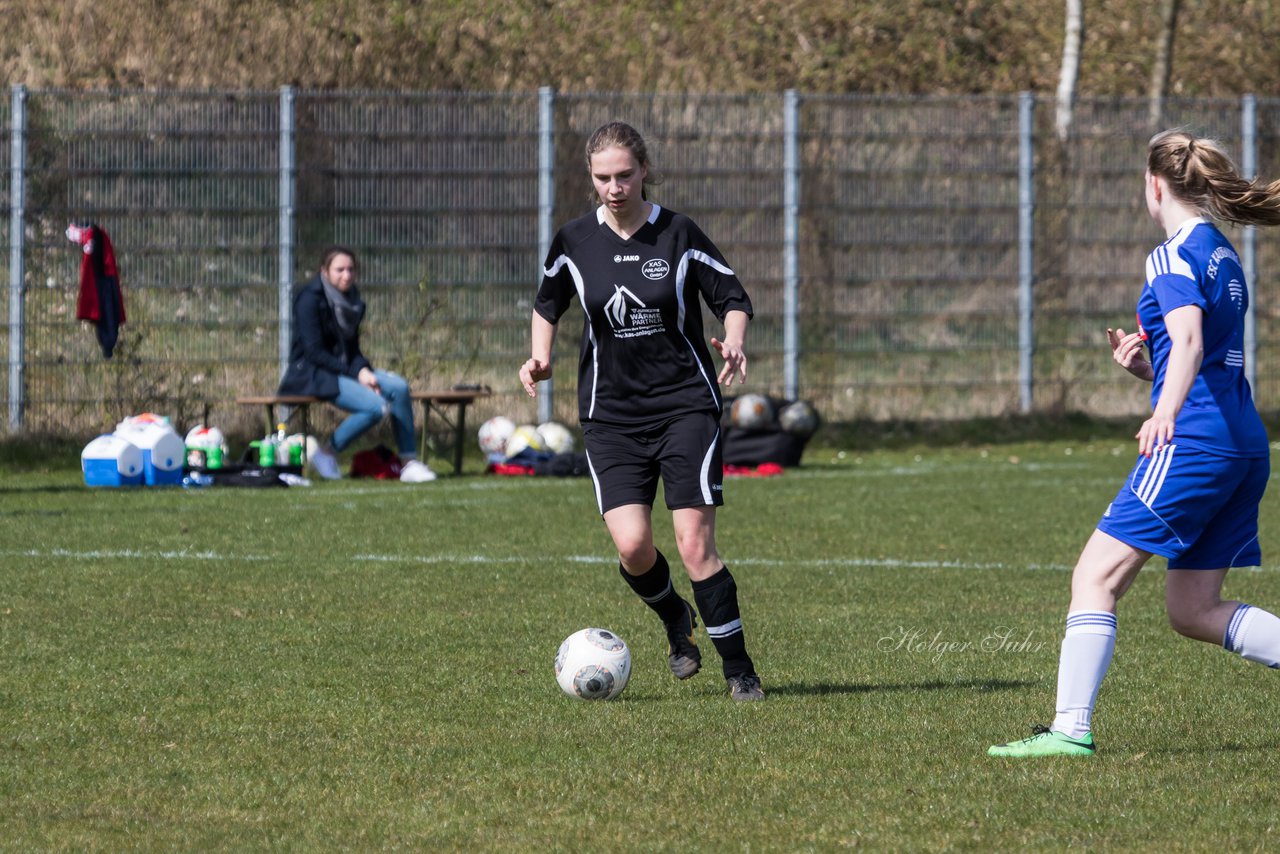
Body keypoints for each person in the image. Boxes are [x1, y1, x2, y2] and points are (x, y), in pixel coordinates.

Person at [990, 129, 1280, 757]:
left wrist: (1163, 412)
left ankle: (1069, 729)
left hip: (1195, 441)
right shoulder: (1222, 254)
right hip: (1240, 443)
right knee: (1193, 609)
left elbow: (1194, 342)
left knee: (1094, 577)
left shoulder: (1169, 255)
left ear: (1154, 186)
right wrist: (1150, 372)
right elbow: (1201, 353)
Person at [519, 121, 765, 701]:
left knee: (693, 544)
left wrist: (734, 339)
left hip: (686, 406)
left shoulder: (678, 233)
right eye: (603, 177)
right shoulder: (574, 241)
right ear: (591, 178)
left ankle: (740, 671)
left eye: (624, 174)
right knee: (632, 546)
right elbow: (547, 302)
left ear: (644, 170)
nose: (614, 186)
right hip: (611, 417)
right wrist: (539, 358)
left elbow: (732, 298)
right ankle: (676, 619)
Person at [278, 246, 435, 483]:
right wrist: (357, 373)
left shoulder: (352, 299)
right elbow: (314, 352)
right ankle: (327, 452)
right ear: (325, 271)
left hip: (343, 369)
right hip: (312, 373)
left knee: (399, 387)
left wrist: (363, 369)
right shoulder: (309, 299)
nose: (346, 275)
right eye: (339, 270)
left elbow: (352, 349)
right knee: (377, 407)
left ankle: (408, 463)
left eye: (351, 269)